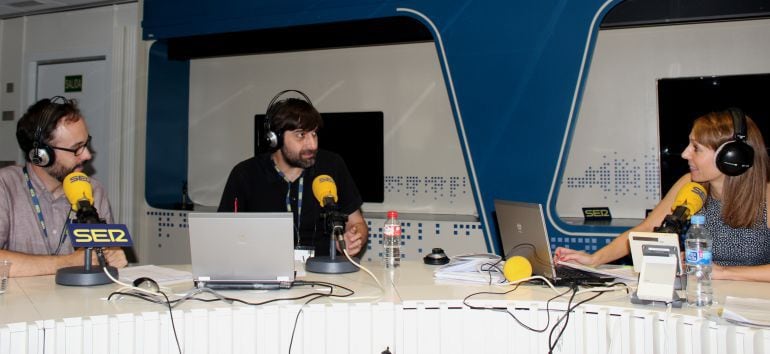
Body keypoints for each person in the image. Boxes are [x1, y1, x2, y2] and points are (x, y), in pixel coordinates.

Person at [555, 109, 770, 282]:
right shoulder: (691, 185)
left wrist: (725, 272)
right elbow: (647, 229)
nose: (685, 153)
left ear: (731, 156)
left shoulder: (766, 195)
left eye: (696, 148)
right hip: (705, 296)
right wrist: (594, 259)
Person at [218, 90, 368, 257]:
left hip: (325, 275)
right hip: (266, 274)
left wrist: (354, 238)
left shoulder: (333, 165)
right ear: (275, 138)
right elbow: (224, 236)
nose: (312, 144)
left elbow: (357, 222)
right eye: (301, 135)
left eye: (314, 134)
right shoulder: (245, 174)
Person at [0, 97, 127, 277]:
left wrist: (113, 256)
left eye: (86, 144)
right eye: (76, 148)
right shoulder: (5, 186)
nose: (87, 155)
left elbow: (106, 251)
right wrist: (67, 262)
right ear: (42, 155)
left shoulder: (93, 190)